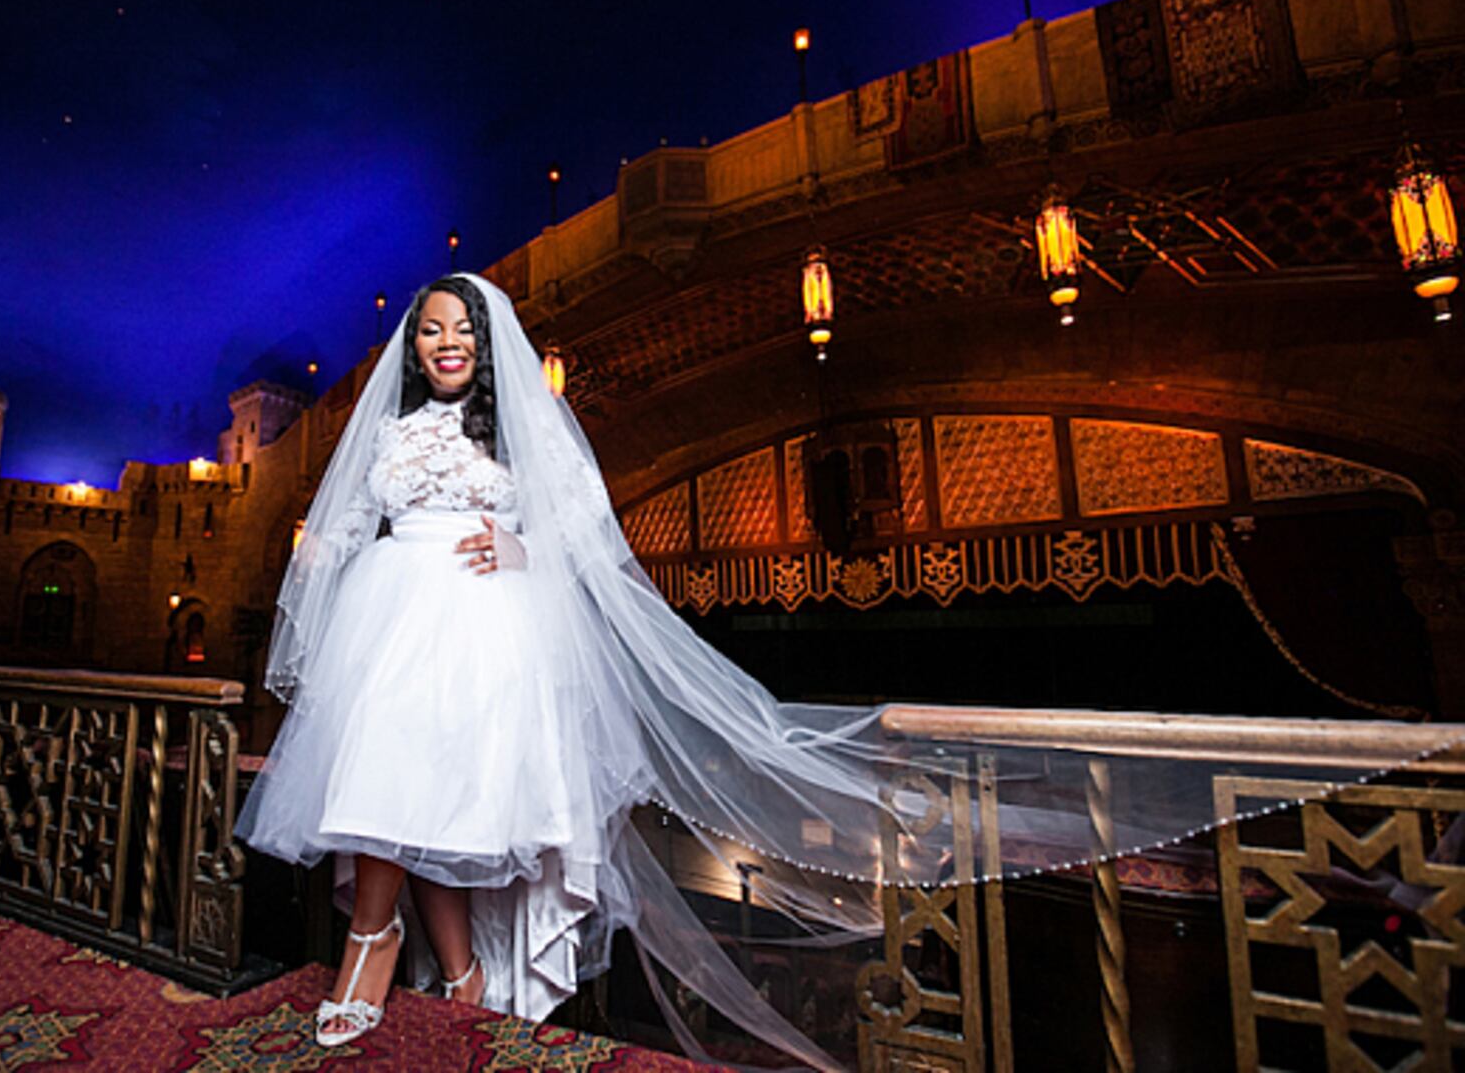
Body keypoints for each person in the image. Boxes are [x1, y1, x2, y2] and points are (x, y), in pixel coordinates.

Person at [236, 273, 1430, 1069]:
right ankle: (379, 950)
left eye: (461, 333)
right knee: (384, 787)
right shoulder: (387, 433)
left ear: (483, 349)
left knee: (458, 809)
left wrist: (520, 543)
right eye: (430, 332)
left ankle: (454, 978)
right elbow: (341, 532)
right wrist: (350, 568)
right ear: (416, 349)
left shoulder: (518, 431)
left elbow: (584, 542)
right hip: (401, 624)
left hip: (486, 630)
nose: (445, 345)